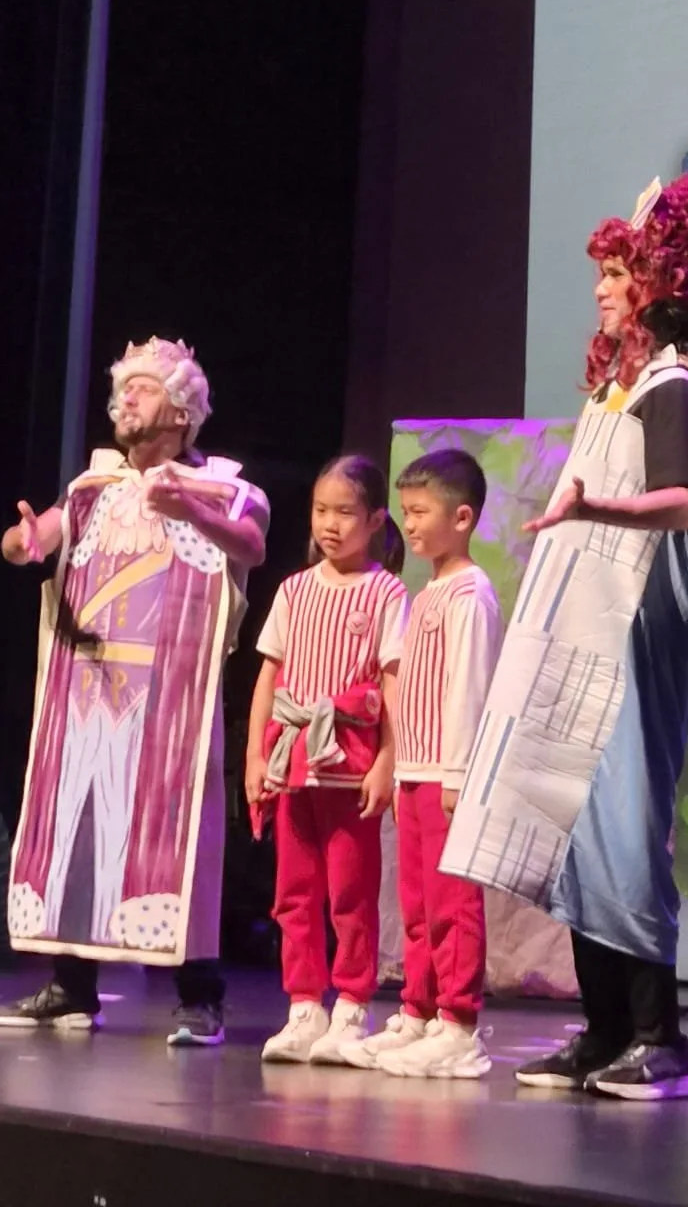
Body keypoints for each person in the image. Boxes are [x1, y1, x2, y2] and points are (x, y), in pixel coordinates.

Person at [444, 171, 688, 1101]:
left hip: (629, 630)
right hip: (581, 630)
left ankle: (661, 1038)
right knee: (571, 825)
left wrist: (596, 506)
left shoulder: (672, 385)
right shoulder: (615, 391)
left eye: (618, 272)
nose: (603, 290)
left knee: (622, 824)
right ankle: (605, 1027)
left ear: (658, 280)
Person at [0, 337, 269, 1045]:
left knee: (180, 847)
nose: (126, 400)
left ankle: (199, 997)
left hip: (168, 698)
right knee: (81, 836)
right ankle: (71, 987)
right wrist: (22, 542)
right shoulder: (92, 488)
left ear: (181, 409)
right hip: (85, 696)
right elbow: (30, 542)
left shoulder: (227, 486)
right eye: (125, 389)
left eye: (144, 389)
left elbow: (250, 544)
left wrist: (187, 508)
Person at [343, 447, 503, 1080]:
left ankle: (459, 1024)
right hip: (415, 768)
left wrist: (459, 774)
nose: (408, 525)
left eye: (419, 512)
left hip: (447, 772)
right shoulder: (431, 589)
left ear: (461, 518)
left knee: (452, 899)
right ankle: (420, 1009)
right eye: (404, 512)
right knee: (415, 898)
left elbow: (468, 686)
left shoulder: (470, 593)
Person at [248, 455, 409, 1064]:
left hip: (349, 759)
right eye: (321, 510)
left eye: (345, 512)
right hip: (293, 761)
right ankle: (303, 1007)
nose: (330, 524)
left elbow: (394, 687)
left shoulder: (386, 592)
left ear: (374, 521)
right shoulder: (293, 590)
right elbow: (269, 676)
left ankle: (351, 1007)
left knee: (350, 889)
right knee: (294, 891)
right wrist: (254, 758)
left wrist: (387, 762)